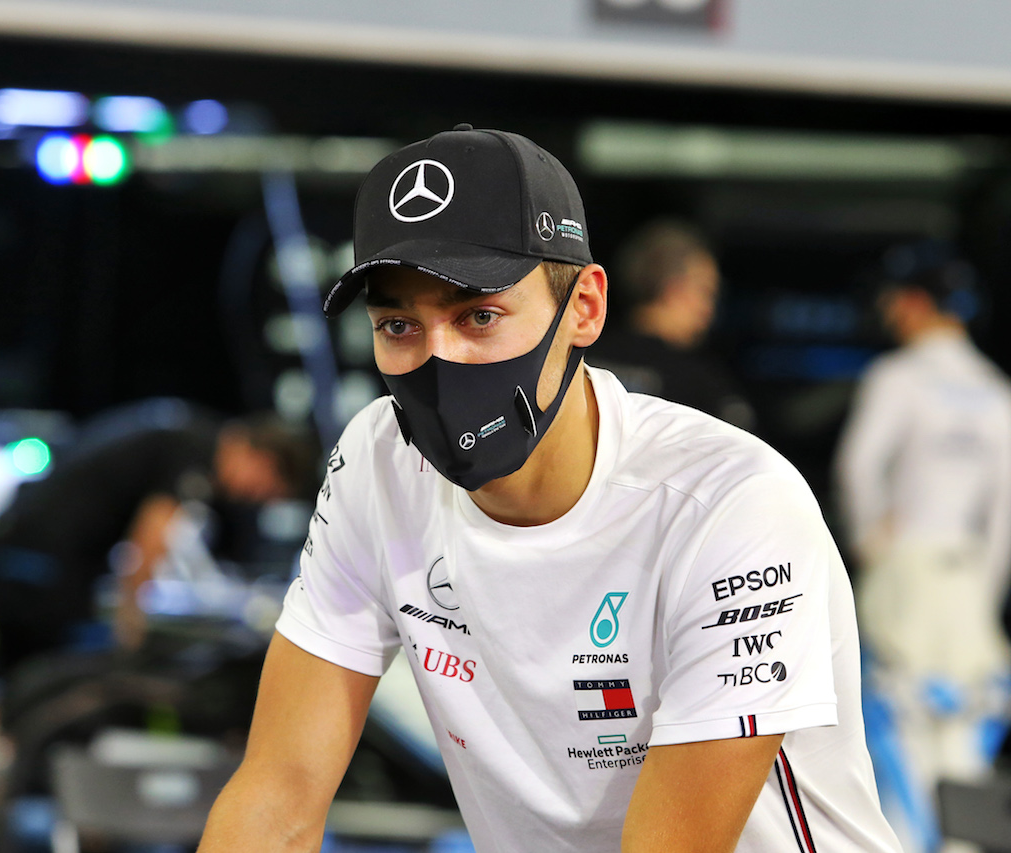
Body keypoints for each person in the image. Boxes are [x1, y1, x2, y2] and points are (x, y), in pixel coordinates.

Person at [197, 125, 899, 852]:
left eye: (479, 315)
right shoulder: (379, 463)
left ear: (585, 309)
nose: (439, 360)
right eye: (399, 324)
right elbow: (278, 794)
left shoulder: (728, 504)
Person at [834, 242, 1011, 853]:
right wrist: (983, 595)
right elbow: (1004, 516)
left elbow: (858, 468)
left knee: (892, 741)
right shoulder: (995, 390)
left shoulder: (898, 377)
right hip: (965, 584)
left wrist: (871, 548)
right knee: (963, 749)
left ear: (913, 303)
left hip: (904, 574)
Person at [0, 415, 313, 669]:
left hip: (25, 551)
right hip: (33, 561)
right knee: (43, 677)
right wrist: (130, 626)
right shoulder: (192, 450)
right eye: (262, 488)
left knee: (26, 673)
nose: (250, 497)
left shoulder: (182, 436)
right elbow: (150, 540)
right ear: (261, 457)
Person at [586, 218, 755, 430]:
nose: (709, 309)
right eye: (706, 292)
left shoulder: (580, 360)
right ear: (673, 289)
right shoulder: (701, 384)